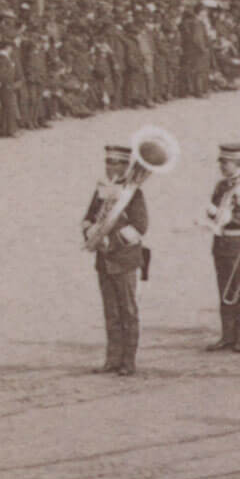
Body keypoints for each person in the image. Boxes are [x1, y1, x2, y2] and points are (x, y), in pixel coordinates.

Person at [82, 143, 149, 376]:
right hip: (104, 259)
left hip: (124, 259)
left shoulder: (133, 193)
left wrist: (113, 242)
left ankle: (128, 361)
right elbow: (88, 218)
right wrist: (91, 234)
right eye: (108, 162)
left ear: (125, 166)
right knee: (111, 311)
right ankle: (112, 358)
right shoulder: (101, 190)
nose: (110, 168)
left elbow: (140, 226)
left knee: (128, 311)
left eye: (115, 163)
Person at [205, 141, 240, 353]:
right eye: (222, 162)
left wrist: (231, 216)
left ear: (239, 162)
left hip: (239, 242)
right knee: (224, 289)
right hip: (221, 242)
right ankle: (227, 334)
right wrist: (211, 213)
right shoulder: (220, 186)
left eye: (227, 162)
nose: (223, 166)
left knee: (239, 291)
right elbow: (216, 211)